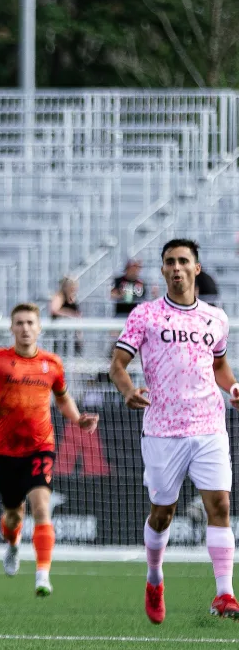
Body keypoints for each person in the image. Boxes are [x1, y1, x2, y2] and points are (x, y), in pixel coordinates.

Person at [110, 238, 239, 624]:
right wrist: (129, 391)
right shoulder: (145, 315)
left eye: (184, 261)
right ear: (163, 270)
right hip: (163, 430)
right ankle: (154, 578)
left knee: (220, 506)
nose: (177, 268)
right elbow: (117, 365)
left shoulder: (215, 318)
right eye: (170, 262)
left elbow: (218, 366)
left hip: (209, 425)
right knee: (163, 514)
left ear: (196, 269)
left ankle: (225, 593)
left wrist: (233, 387)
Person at [0, 303, 99, 595]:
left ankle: (42, 575)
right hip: (5, 452)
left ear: (39, 328)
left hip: (41, 447)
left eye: (30, 323)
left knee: (41, 507)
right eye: (19, 323)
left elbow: (63, 399)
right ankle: (12, 545)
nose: (25, 328)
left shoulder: (52, 364)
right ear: (12, 328)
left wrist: (78, 418)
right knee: (14, 515)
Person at [50, 276, 82, 355]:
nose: (74, 288)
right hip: (60, 332)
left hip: (72, 332)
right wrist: (69, 314)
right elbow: (54, 310)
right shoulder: (59, 296)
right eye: (72, 286)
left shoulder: (73, 297)